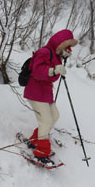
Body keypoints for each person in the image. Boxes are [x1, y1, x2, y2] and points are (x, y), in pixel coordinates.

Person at [23, 29, 77, 164]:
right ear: (60, 44)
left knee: (55, 116)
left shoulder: (56, 56)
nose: (67, 50)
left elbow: (52, 78)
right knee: (46, 122)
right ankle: (41, 151)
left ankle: (36, 139)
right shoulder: (44, 52)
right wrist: (53, 70)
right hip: (35, 92)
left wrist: (60, 64)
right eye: (65, 47)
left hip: (45, 93)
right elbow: (37, 70)